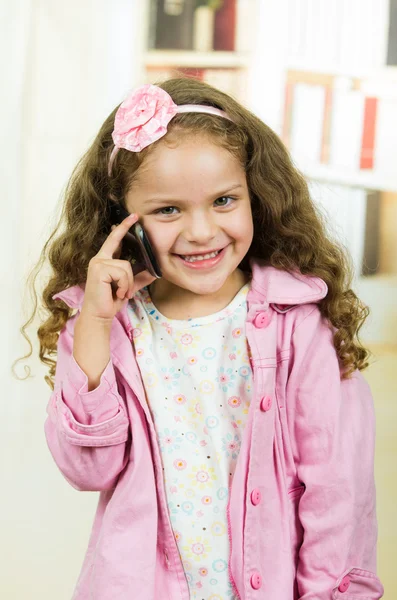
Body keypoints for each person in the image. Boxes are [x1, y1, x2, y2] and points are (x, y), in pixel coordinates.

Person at [17, 78, 384, 599]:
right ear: (122, 219)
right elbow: (88, 469)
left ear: (256, 196)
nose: (201, 231)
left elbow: (338, 491)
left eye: (224, 201)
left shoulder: (297, 322)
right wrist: (95, 325)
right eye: (168, 210)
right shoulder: (115, 324)